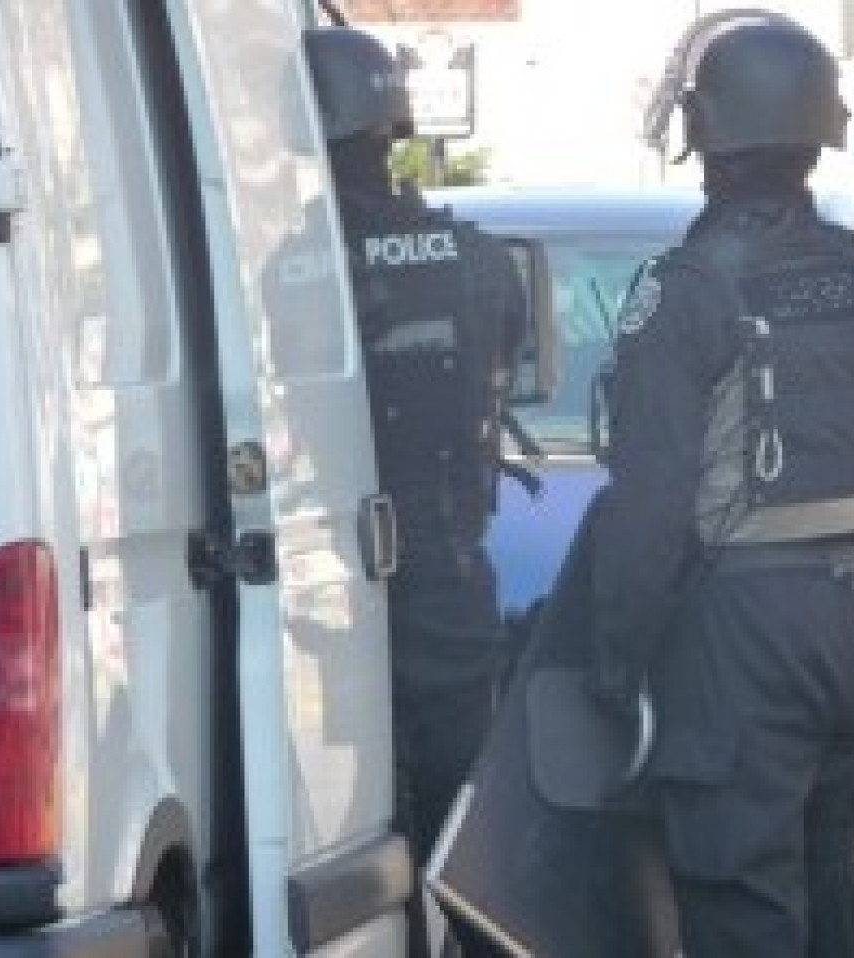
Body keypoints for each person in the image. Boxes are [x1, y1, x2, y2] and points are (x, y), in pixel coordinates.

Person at [584, 14, 854, 958]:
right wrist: (837, 558)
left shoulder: (683, 292)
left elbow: (649, 508)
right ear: (817, 129)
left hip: (732, 638)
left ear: (702, 133)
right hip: (850, 625)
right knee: (834, 886)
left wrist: (610, 666)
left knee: (740, 901)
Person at [303, 27, 526, 958]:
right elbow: (508, 362)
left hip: (335, 569)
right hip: (447, 561)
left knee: (347, 815)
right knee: (461, 809)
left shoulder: (299, 265)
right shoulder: (467, 254)